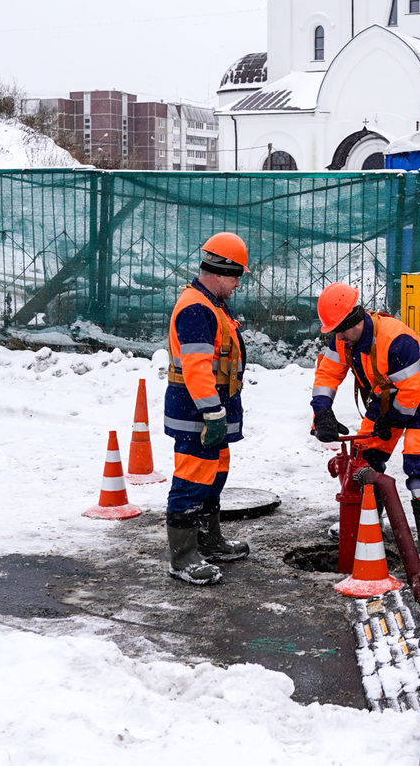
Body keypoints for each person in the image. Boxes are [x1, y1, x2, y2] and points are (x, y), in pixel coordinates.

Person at [309, 281, 420, 567]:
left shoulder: (397, 340)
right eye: (334, 331)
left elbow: (411, 395)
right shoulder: (342, 337)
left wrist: (390, 423)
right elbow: (327, 376)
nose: (339, 337)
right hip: (387, 396)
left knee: (417, 459)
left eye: (341, 330)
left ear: (354, 320)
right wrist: (321, 412)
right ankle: (364, 525)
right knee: (365, 457)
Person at [162, 232, 251, 585]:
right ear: (218, 271)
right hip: (197, 413)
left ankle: (208, 541)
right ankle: (182, 558)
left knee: (214, 476)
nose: (237, 284)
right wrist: (212, 414)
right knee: (191, 481)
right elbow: (197, 368)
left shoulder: (211, 303)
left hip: (212, 410)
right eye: (235, 276)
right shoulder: (198, 308)